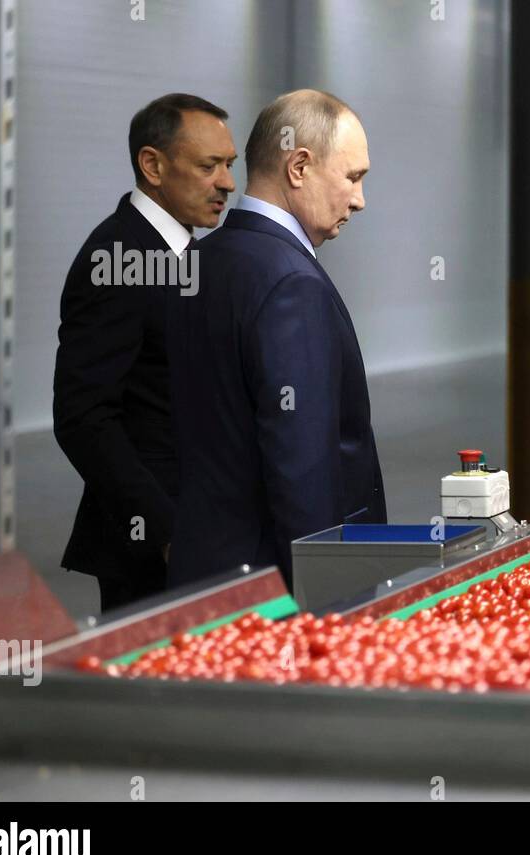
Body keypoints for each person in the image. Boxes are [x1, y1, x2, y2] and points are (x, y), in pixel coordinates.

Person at [166, 89, 387, 589]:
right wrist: (328, 596)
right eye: (353, 177)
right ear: (299, 167)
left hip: (206, 569)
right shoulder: (292, 283)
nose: (359, 199)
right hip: (277, 586)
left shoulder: (198, 262)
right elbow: (302, 467)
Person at [53, 93, 236, 611]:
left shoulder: (181, 253)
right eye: (209, 166)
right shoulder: (117, 259)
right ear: (152, 165)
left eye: (229, 165)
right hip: (152, 552)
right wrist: (166, 529)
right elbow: (83, 417)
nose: (226, 182)